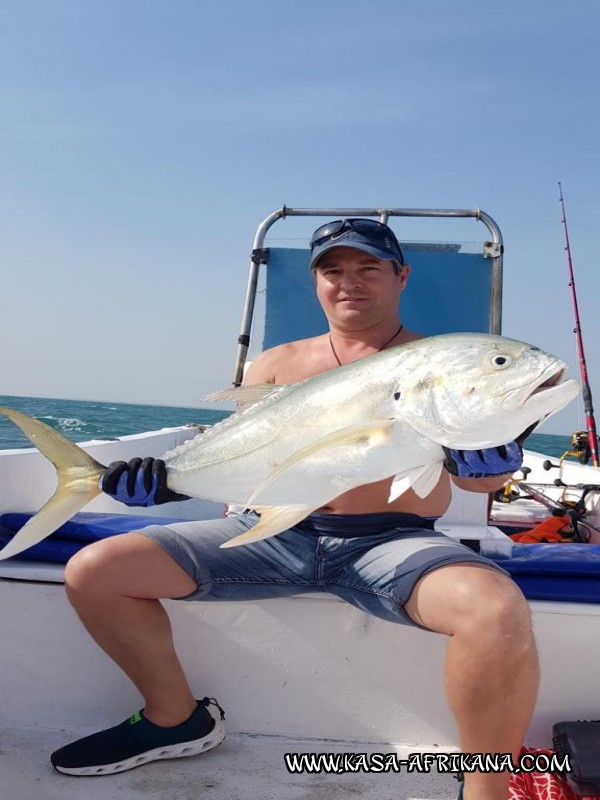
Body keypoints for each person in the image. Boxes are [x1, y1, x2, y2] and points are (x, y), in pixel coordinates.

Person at [51, 219, 538, 800]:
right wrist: (169, 484)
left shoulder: (439, 364)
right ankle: (175, 719)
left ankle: (486, 789)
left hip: (392, 543)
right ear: (316, 283)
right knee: (94, 571)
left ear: (400, 276)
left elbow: (485, 481)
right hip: (270, 529)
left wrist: (486, 467)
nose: (348, 283)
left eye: (368, 269)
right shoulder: (276, 365)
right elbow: (241, 457)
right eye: (333, 271)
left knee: (496, 609)